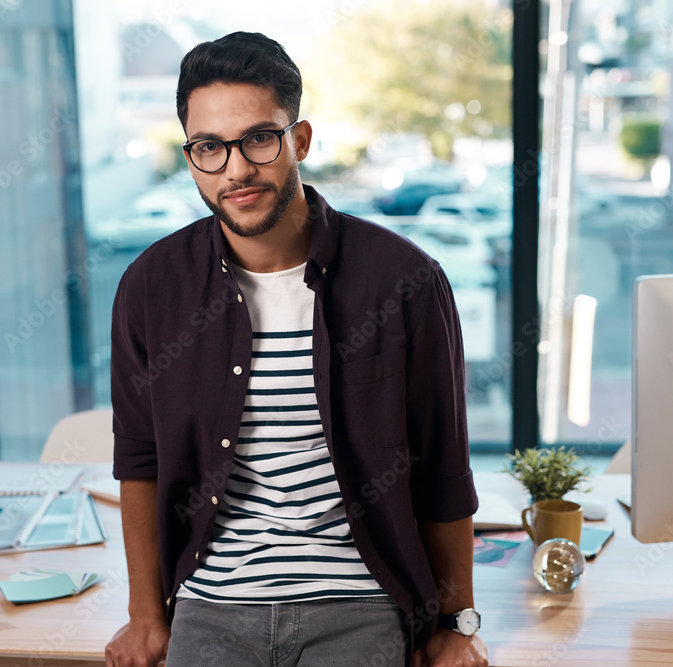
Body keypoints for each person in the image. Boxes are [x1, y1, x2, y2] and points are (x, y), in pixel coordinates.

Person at [105, 31, 487, 667]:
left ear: (299, 140)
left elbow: (443, 468)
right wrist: (146, 616)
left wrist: (457, 623)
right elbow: (139, 462)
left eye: (259, 138)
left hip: (358, 602)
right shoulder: (152, 287)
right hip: (212, 603)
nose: (236, 169)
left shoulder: (404, 281)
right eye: (209, 148)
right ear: (191, 155)